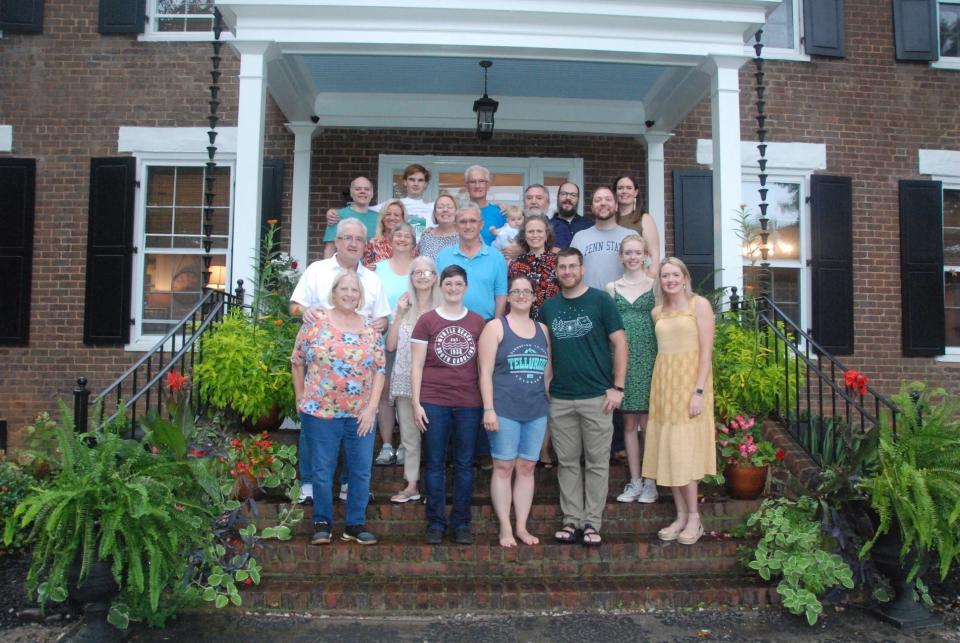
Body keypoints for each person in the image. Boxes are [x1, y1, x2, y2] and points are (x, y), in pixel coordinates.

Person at [290, 218, 391, 504]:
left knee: (357, 428)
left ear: (365, 244)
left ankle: (349, 483)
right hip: (322, 366)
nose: (353, 243)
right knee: (314, 425)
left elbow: (382, 316)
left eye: (359, 239)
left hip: (359, 369)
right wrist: (304, 311)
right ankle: (308, 484)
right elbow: (294, 305)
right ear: (337, 241)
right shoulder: (317, 270)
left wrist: (381, 323)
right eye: (347, 238)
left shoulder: (372, 279)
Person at [540, 248, 627, 547]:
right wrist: (547, 383)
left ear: (582, 268)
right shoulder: (548, 308)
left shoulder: (601, 301)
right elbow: (548, 349)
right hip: (562, 398)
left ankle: (592, 522)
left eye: (572, 266)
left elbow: (620, 342)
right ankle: (571, 520)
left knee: (597, 462)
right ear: (557, 271)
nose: (567, 271)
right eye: (562, 267)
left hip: (597, 396)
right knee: (566, 463)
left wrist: (618, 387)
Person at [291, 270, 386, 546]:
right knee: (322, 469)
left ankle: (355, 524)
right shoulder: (315, 323)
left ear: (361, 296)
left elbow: (380, 369)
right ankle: (322, 522)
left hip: (360, 414)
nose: (349, 294)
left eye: (354, 290)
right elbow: (297, 360)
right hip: (320, 413)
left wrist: (371, 409)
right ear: (334, 292)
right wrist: (300, 397)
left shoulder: (370, 327)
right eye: (344, 289)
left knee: (360, 470)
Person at [642, 257, 716, 546]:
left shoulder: (700, 305)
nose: (670, 280)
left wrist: (698, 391)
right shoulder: (657, 311)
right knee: (669, 451)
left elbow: (706, 352)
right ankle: (681, 515)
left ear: (685, 278)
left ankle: (695, 518)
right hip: (664, 384)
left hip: (690, 385)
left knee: (685, 451)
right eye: (665, 276)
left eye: (675, 274)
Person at [411, 265, 486, 545]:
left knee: (465, 464)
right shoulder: (426, 321)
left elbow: (484, 366)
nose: (453, 289)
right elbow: (417, 366)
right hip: (433, 401)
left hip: (468, 402)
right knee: (434, 463)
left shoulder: (478, 323)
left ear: (466, 288)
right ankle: (435, 522)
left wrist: (486, 404)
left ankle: (461, 522)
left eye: (458, 284)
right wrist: (417, 403)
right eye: (448, 284)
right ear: (440, 287)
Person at [478, 275, 551, 548]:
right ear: (508, 297)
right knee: (504, 466)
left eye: (526, 291)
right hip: (504, 408)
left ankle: (521, 526)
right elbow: (484, 372)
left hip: (536, 410)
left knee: (527, 466)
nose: (521, 295)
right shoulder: (495, 327)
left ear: (534, 297)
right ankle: (505, 528)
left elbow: (547, 372)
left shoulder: (542, 330)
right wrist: (488, 409)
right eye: (515, 291)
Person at [606, 235, 658, 504]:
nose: (633, 257)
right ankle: (635, 481)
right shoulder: (612, 287)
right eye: (628, 252)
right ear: (621, 256)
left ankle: (651, 482)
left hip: (650, 356)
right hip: (623, 357)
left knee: (648, 422)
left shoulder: (655, 286)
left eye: (638, 252)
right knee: (628, 422)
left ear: (645, 254)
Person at [385, 256, 441, 503]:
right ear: (411, 277)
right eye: (417, 272)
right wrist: (398, 315)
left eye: (427, 272)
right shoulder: (404, 306)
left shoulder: (443, 307)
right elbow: (390, 344)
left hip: (434, 381)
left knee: (436, 435)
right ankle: (412, 484)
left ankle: (434, 486)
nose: (422, 276)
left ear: (435, 277)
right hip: (405, 379)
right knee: (409, 433)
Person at [372, 222, 417, 467]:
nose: (401, 239)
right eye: (397, 235)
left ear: (413, 241)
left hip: (412, 342)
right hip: (383, 339)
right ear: (390, 239)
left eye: (406, 236)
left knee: (406, 394)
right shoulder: (377, 269)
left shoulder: (419, 269)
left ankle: (404, 445)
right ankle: (387, 444)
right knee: (384, 392)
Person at [435, 204, 507, 321]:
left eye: (473, 221)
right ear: (456, 226)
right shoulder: (442, 257)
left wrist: (496, 324)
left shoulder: (496, 257)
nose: (468, 226)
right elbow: (436, 292)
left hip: (486, 324)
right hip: (448, 323)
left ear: (481, 225)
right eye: (463, 222)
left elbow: (501, 293)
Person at [327, 164, 434, 240]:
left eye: (420, 180)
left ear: (425, 184)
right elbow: (360, 209)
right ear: (405, 182)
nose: (416, 184)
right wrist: (335, 212)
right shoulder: (393, 205)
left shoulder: (433, 207)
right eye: (412, 179)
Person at [570, 186, 634, 291]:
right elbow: (572, 273)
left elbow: (644, 270)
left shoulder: (631, 236)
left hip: (623, 302)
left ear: (617, 206)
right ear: (591, 207)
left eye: (608, 199)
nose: (603, 203)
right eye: (597, 200)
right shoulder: (579, 238)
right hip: (589, 302)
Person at [507, 213, 559, 320]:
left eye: (539, 231)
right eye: (531, 231)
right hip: (523, 322)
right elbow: (511, 296)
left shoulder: (557, 262)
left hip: (554, 320)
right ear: (524, 235)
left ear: (547, 235)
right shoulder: (516, 264)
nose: (535, 235)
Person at [322, 176, 379, 258]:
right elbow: (330, 249)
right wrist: (327, 270)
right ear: (351, 193)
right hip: (345, 269)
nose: (362, 191)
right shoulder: (337, 216)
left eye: (367, 189)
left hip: (373, 269)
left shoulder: (380, 218)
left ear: (372, 193)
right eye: (358, 189)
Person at [613, 175, 661, 270]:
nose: (624, 191)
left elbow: (654, 256)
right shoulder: (608, 220)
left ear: (636, 192)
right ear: (615, 192)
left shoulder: (644, 219)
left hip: (637, 278)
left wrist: (651, 276)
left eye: (629, 188)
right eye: (620, 188)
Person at [364, 199, 415, 270]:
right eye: (388, 214)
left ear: (403, 219)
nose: (392, 218)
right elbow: (366, 272)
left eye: (396, 215)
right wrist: (367, 269)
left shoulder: (410, 244)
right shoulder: (372, 243)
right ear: (382, 217)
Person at [463, 165, 505, 245]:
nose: (477, 186)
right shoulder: (458, 214)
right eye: (472, 182)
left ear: (488, 185)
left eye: (481, 181)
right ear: (466, 186)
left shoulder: (501, 213)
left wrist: (517, 248)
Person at [550, 181, 592, 250]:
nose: (568, 198)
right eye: (564, 194)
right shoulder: (548, 226)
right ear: (557, 197)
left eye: (573, 195)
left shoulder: (589, 225)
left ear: (578, 199)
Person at [417, 192, 459, 259]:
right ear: (435, 213)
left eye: (449, 207)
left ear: (456, 212)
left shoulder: (465, 236)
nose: (445, 210)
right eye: (440, 207)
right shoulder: (426, 237)